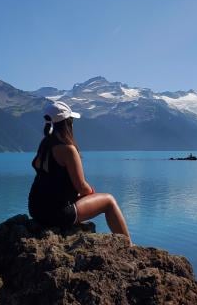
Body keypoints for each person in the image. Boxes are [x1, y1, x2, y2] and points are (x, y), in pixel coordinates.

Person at [28, 100, 131, 243]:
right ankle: (129, 246)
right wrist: (91, 193)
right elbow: (81, 186)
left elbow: (50, 180)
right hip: (55, 214)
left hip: (36, 210)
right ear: (67, 123)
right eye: (71, 121)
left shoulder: (45, 144)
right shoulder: (67, 149)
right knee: (109, 200)